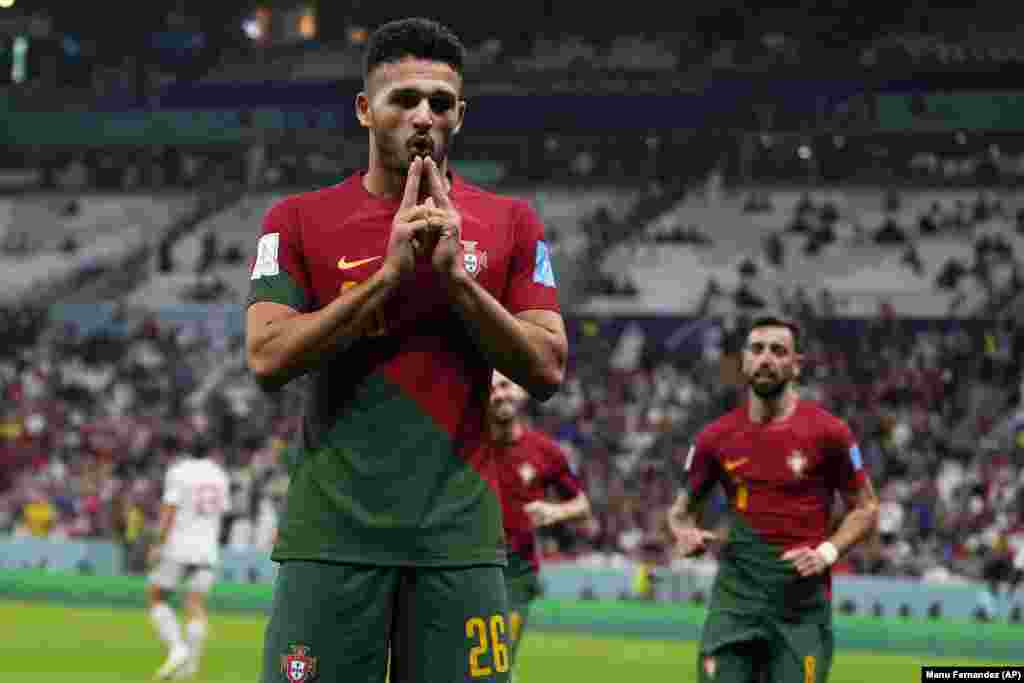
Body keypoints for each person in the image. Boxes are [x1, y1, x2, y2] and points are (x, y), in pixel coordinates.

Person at [245, 17, 567, 683]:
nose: (424, 116)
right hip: (331, 536)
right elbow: (267, 357)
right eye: (404, 99)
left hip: (462, 541)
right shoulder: (297, 219)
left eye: (441, 103)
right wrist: (386, 278)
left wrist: (455, 281)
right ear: (366, 110)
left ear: (460, 114)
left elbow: (546, 365)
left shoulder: (512, 222)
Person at [668, 315, 879, 683]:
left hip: (800, 612)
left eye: (778, 351)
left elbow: (866, 507)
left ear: (796, 365)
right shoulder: (714, 438)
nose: (766, 358)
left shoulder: (829, 433)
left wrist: (827, 553)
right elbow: (680, 512)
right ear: (744, 361)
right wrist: (683, 532)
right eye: (757, 349)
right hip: (735, 605)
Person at [488, 371, 590, 678]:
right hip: (468, 565)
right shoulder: (466, 446)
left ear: (521, 391)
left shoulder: (545, 452)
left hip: (517, 571)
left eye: (505, 385)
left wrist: (553, 512)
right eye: (490, 389)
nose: (498, 395)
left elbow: (582, 505)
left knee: (497, 657)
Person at [146, 439, 231, 680]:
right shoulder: (220, 476)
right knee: (195, 604)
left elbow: (169, 510)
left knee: (157, 596)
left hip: (179, 546)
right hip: (208, 549)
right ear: (210, 452)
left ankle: (177, 649)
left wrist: (157, 544)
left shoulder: (179, 472)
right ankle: (190, 667)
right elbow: (221, 512)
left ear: (186, 452)